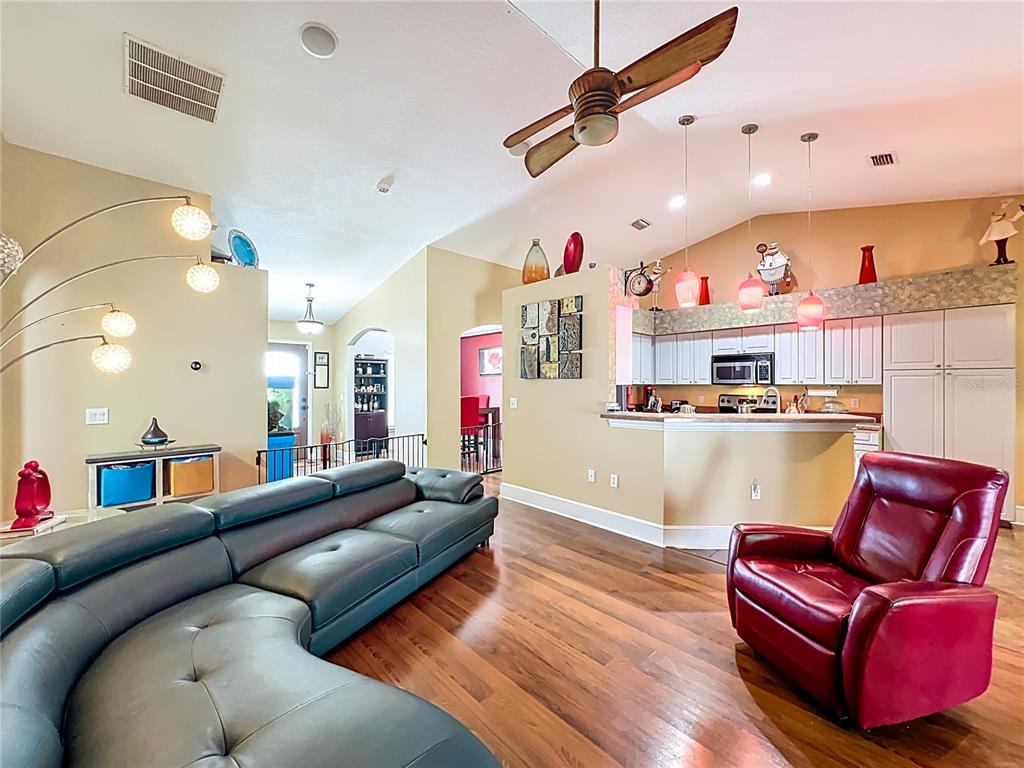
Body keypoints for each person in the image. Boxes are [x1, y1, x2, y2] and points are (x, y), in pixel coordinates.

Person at [979, 198, 1023, 265]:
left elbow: (1013, 219)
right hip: (999, 232)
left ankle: (1001, 258)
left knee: (1001, 245)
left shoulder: (1002, 215)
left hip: (1001, 232)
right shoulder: (1000, 213)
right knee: (1001, 245)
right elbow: (996, 219)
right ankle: (1001, 258)